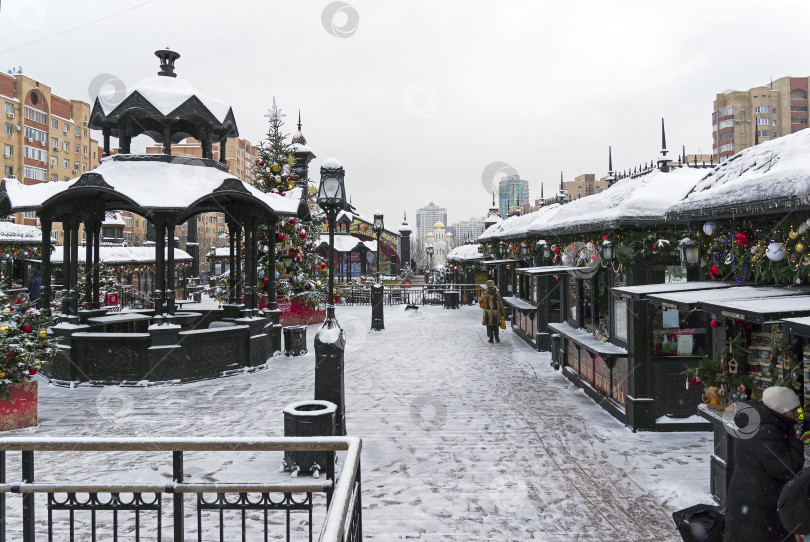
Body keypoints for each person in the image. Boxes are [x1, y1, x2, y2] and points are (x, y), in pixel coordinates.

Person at [723, 386, 804, 542]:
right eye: (793, 412)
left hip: (748, 501)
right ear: (779, 411)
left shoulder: (759, 419)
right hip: (757, 509)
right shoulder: (766, 431)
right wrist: (797, 435)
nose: (796, 415)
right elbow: (789, 469)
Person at [481, 279, 505, 343]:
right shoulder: (497, 293)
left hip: (488, 312)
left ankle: (491, 339)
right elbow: (500, 303)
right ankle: (497, 338)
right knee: (496, 325)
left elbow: (480, 301)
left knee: (489, 326)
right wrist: (502, 312)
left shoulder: (485, 293)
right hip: (496, 312)